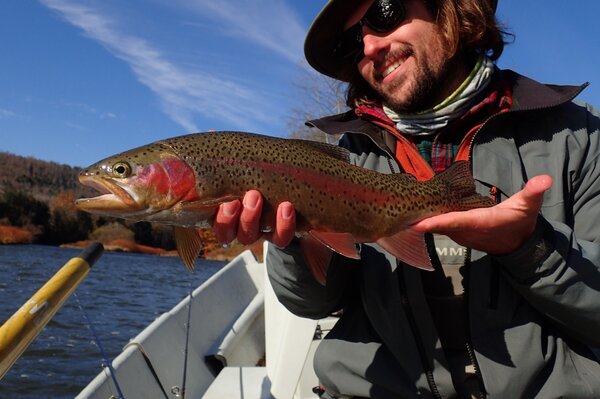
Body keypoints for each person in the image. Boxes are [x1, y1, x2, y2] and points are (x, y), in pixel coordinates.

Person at [213, 0, 600, 397]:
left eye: (384, 12)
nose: (368, 47)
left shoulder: (581, 136)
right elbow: (313, 305)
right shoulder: (345, 156)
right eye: (351, 42)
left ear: (452, 10)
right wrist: (295, 237)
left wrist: (530, 249)